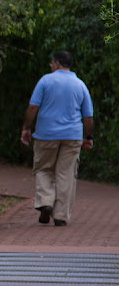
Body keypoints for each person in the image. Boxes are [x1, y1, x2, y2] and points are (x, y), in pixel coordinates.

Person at [20, 51, 94, 226]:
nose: (51, 66)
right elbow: (88, 117)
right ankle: (60, 216)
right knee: (66, 174)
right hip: (72, 136)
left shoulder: (45, 81)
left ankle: (45, 202)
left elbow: (32, 107)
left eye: (52, 63)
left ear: (58, 63)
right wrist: (88, 136)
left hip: (46, 135)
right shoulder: (80, 85)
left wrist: (26, 128)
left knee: (43, 168)